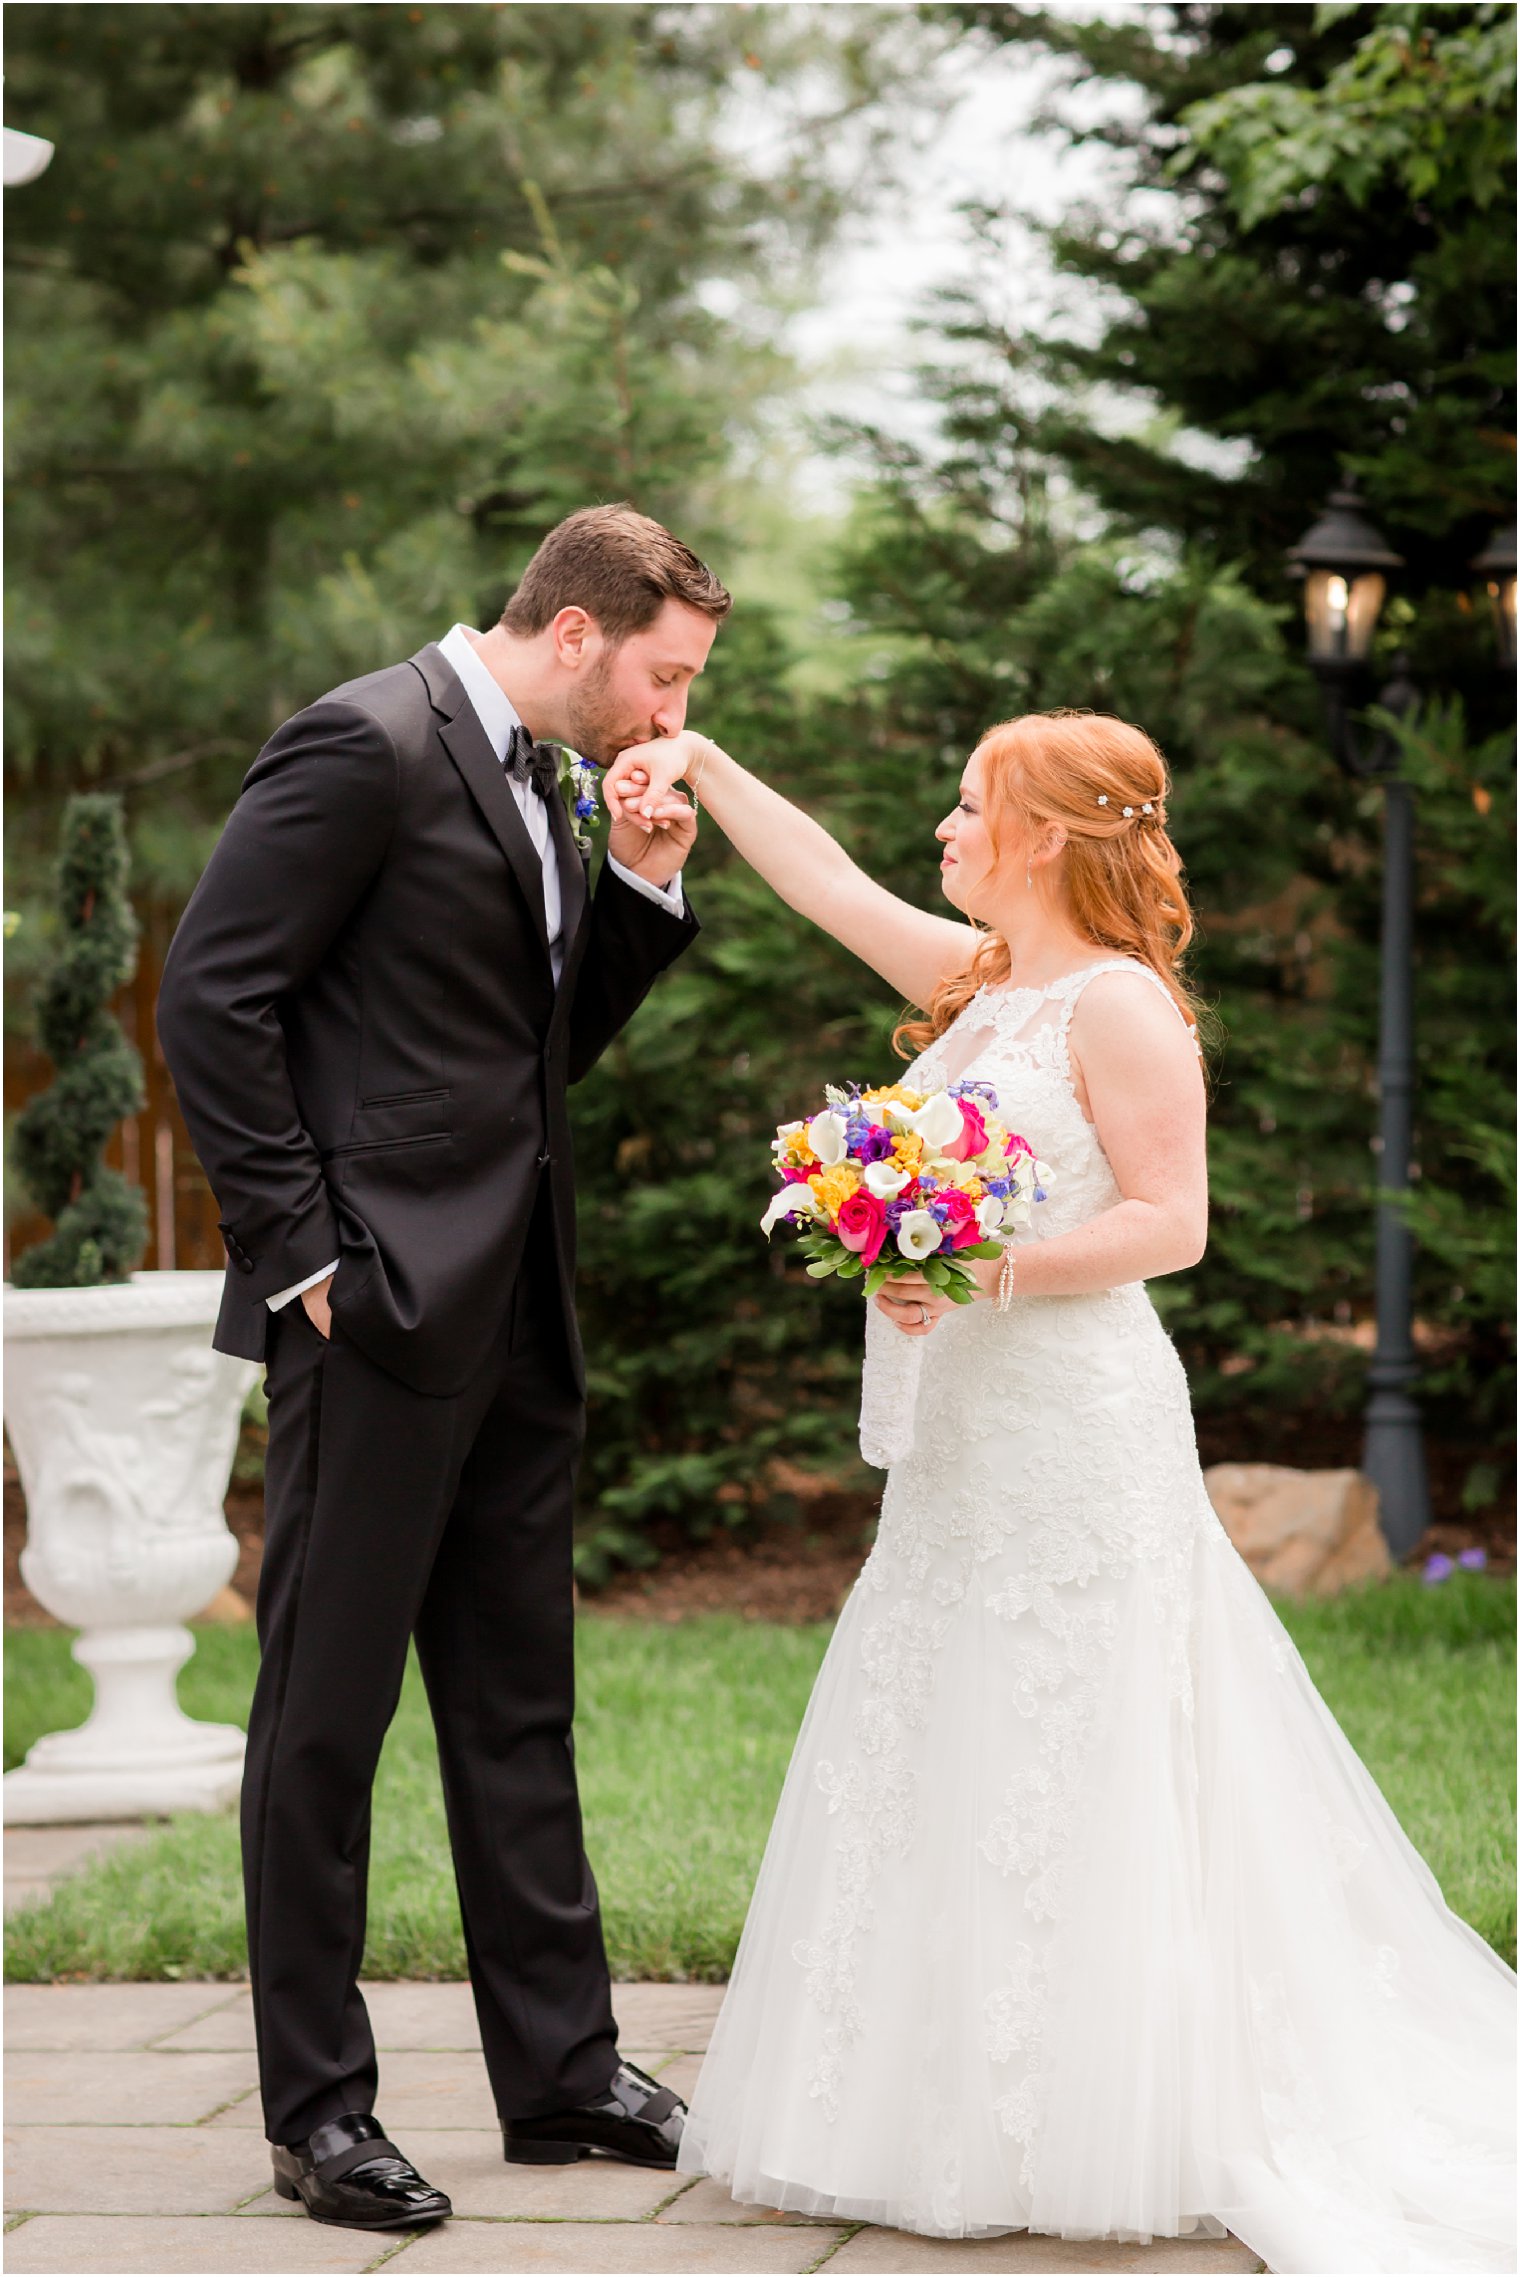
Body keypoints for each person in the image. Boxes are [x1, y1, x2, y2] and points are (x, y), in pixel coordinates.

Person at [600, 713, 1517, 2275]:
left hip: (1076, 1425)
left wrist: (975, 1265)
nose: (947, 827)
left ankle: (1103, 2100)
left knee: (1082, 1729)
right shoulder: (978, 985)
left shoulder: (1121, 1006)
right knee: (945, 1719)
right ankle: (926, 2097)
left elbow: (1176, 1222)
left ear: (1043, 833)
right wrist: (700, 761)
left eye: (971, 804)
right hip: (965, 1431)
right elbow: (820, 881)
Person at [156, 505, 716, 2233]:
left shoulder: (553, 777)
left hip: (516, 1310)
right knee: (324, 1723)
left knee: (513, 1703)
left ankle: (561, 2070)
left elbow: (531, 1053)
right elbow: (209, 998)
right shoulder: (364, 741)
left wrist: (635, 875)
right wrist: (307, 1255)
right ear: (574, 633)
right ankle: (319, 2113)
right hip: (377, 1315)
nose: (671, 712)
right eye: (665, 677)